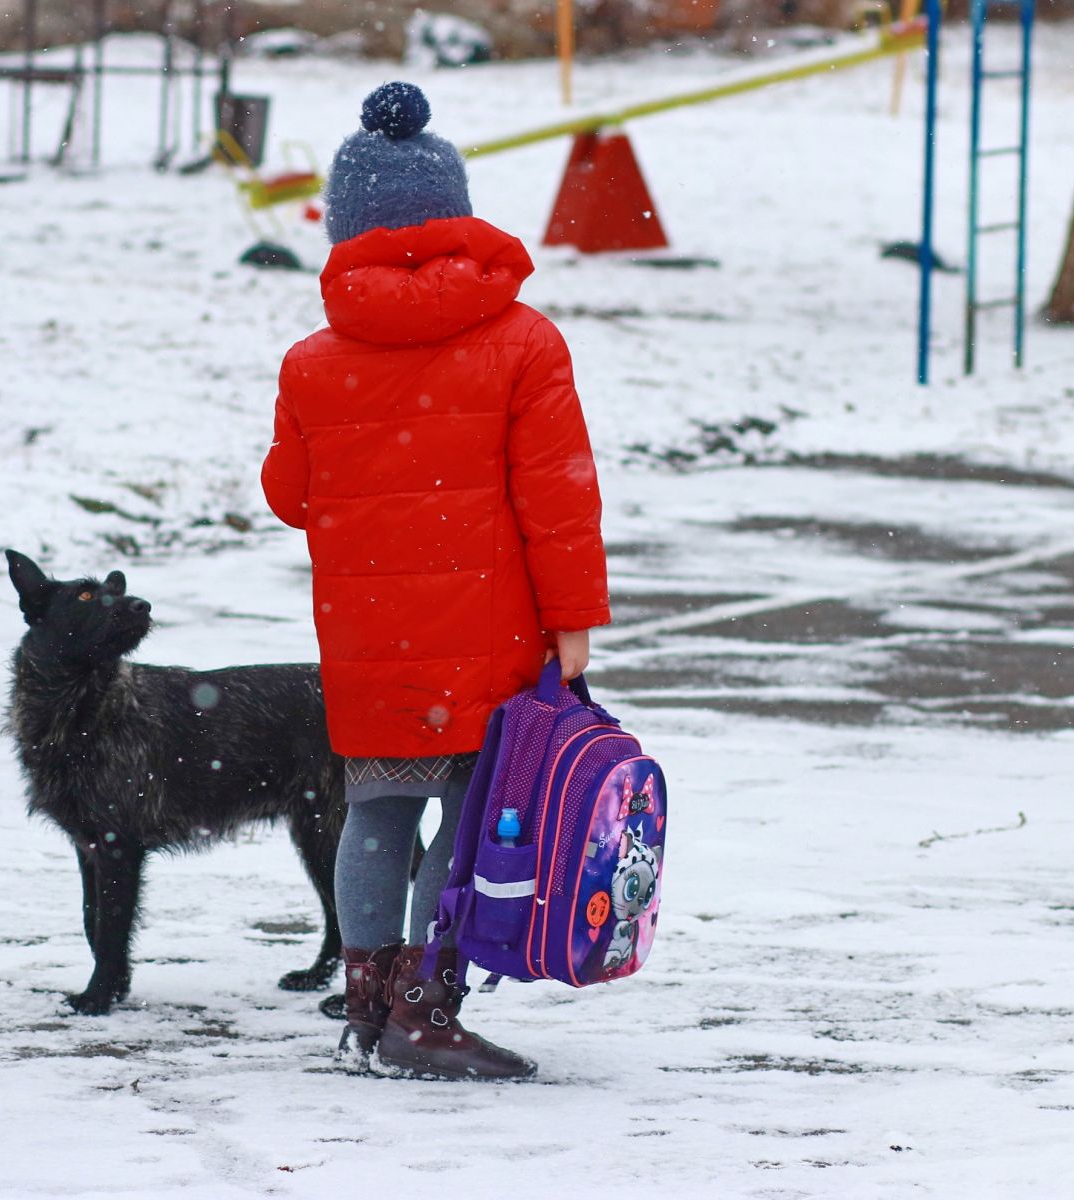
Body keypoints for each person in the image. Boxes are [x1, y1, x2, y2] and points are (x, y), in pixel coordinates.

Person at [261, 82, 610, 1080]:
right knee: (467, 821)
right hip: (492, 630)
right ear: (454, 214)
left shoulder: (312, 361)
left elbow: (290, 495)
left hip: (371, 631)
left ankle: (366, 1014)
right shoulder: (524, 343)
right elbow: (559, 499)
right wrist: (573, 623)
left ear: (345, 226)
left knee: (373, 812)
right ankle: (426, 1010)